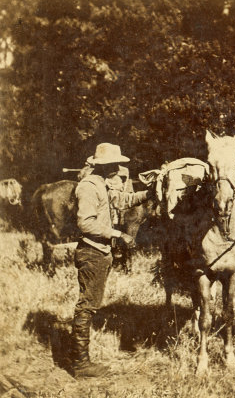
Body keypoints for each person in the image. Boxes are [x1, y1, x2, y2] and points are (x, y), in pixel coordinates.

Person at [71, 143, 151, 378]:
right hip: (92, 253)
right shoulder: (88, 187)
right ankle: (80, 364)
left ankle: (80, 360)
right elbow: (85, 223)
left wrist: (150, 193)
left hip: (100, 253)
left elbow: (124, 200)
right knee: (87, 306)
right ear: (104, 166)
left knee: (90, 304)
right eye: (115, 164)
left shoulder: (102, 184)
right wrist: (118, 234)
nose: (118, 168)